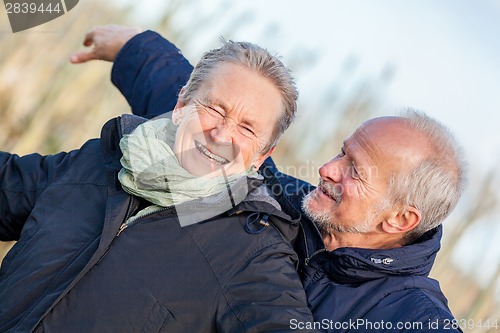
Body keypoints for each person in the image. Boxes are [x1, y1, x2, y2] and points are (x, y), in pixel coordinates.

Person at [79, 26, 468, 332]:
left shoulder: (413, 319)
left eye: (355, 171)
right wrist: (136, 48)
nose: (327, 169)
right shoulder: (280, 203)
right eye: (341, 152)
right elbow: (213, 127)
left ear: (400, 219)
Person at [0, 30, 317, 332]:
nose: (221, 135)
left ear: (263, 155)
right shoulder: (101, 160)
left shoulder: (253, 257)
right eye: (214, 109)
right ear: (180, 105)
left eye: (247, 128)